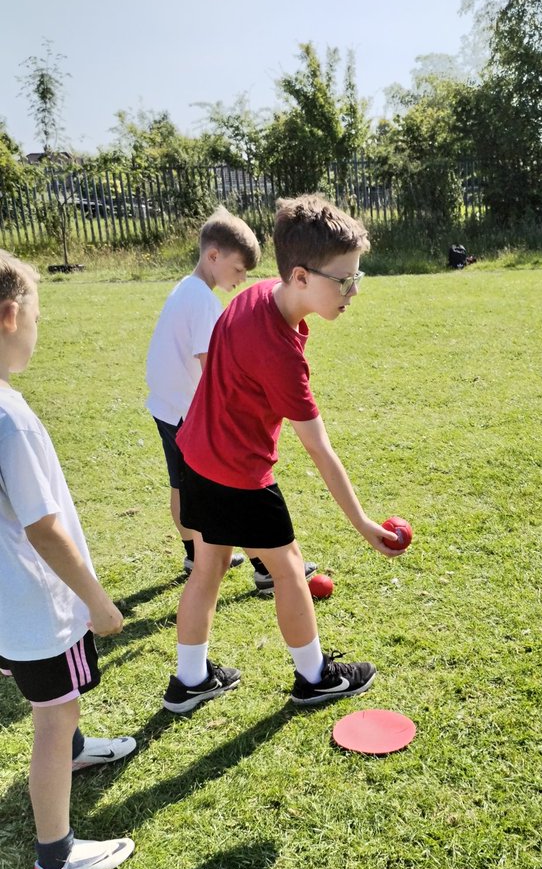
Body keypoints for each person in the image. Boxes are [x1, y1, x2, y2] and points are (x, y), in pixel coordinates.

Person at [163, 194, 403, 713]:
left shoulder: (257, 295)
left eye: (357, 277)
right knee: (290, 568)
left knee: (208, 568)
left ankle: (189, 680)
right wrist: (363, 524)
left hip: (197, 455)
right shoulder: (281, 355)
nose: (353, 290)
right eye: (343, 280)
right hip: (236, 474)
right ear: (299, 276)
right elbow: (320, 450)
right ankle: (315, 678)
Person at [0, 252, 135, 869]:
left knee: (58, 706)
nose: (37, 326)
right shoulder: (9, 418)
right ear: (9, 316)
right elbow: (44, 528)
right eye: (37, 312)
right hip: (36, 606)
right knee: (55, 714)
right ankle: (56, 855)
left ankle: (76, 754)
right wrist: (98, 602)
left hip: (9, 608)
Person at [145, 206, 315, 593]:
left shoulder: (185, 288)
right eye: (239, 269)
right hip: (190, 414)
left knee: (184, 487)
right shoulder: (203, 302)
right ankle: (265, 568)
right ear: (213, 256)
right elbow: (213, 370)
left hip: (168, 408)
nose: (242, 280)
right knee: (234, 490)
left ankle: (195, 553)